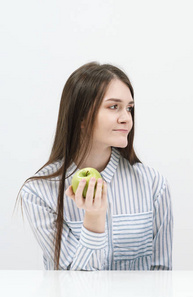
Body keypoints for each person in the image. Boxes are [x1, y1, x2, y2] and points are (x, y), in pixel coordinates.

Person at [19, 62, 173, 270]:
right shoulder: (38, 193)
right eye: (113, 107)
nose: (126, 118)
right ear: (81, 117)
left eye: (129, 108)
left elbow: (162, 276)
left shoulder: (154, 185)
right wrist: (93, 219)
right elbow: (75, 285)